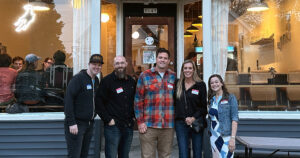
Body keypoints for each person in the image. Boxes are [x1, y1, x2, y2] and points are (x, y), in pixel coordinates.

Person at [135, 48, 176, 158]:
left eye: (165, 58)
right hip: (148, 125)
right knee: (148, 156)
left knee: (166, 155)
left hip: (168, 125)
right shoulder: (145, 75)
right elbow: (138, 100)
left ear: (169, 61)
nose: (163, 60)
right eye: (160, 57)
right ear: (156, 59)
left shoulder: (173, 76)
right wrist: (140, 122)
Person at [96, 56, 136, 158]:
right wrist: (108, 119)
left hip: (128, 125)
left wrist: (134, 116)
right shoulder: (106, 81)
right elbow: (99, 103)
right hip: (113, 126)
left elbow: (135, 100)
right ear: (114, 66)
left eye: (122, 63)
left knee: (124, 155)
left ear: (126, 64)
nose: (120, 66)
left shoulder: (131, 81)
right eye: (117, 64)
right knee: (111, 155)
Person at [64, 54, 103, 158]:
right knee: (74, 155)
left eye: (99, 65)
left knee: (83, 154)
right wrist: (71, 122)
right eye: (94, 64)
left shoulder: (96, 81)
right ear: (89, 64)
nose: (96, 67)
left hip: (89, 124)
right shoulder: (78, 79)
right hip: (76, 124)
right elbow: (68, 101)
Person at [175, 60, 207, 158]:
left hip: (196, 122)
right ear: (182, 70)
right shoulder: (177, 84)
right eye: (185, 68)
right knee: (183, 153)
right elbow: (175, 104)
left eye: (190, 68)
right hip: (181, 123)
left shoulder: (200, 85)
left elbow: (203, 107)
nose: (187, 70)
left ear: (194, 70)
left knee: (197, 153)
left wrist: (192, 118)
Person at [207, 74, 238, 158]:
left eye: (216, 82)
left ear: (221, 83)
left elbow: (234, 119)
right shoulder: (211, 100)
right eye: (212, 83)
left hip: (226, 137)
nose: (214, 84)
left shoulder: (230, 98)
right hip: (213, 137)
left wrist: (232, 138)